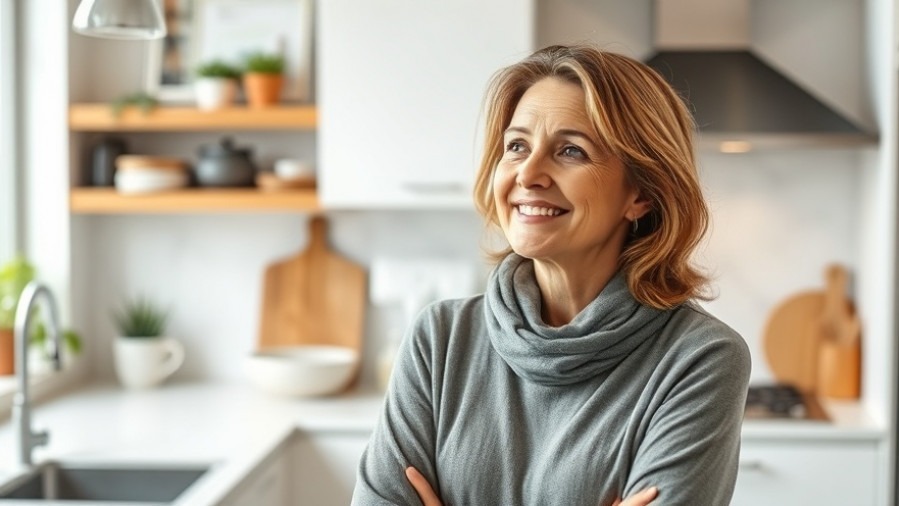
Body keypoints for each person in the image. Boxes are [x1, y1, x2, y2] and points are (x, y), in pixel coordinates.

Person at [352, 44, 751, 506]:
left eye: (570, 151)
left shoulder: (700, 359)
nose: (528, 173)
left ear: (641, 194)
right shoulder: (439, 339)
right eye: (517, 145)